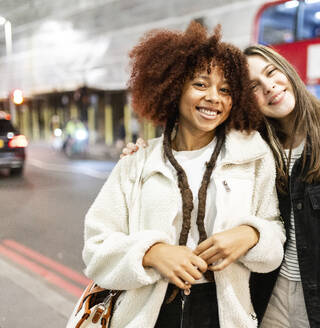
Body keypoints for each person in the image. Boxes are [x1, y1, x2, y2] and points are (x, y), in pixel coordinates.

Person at [124, 44, 320, 327]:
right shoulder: (254, 147)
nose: (269, 87)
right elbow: (195, 141)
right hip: (269, 302)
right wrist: (146, 151)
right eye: (254, 85)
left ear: (287, 70)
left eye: (272, 72)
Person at [83, 22, 285, 328]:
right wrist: (151, 253)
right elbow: (96, 250)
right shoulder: (136, 163)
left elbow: (275, 236)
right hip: (149, 315)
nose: (214, 98)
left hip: (224, 315)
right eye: (201, 85)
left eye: (225, 89)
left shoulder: (252, 157)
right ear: (174, 87)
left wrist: (250, 235)